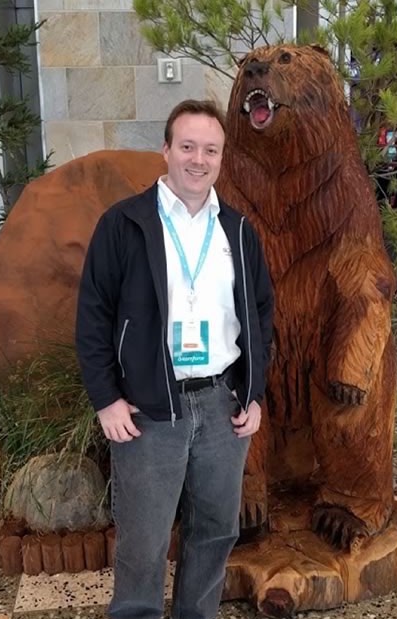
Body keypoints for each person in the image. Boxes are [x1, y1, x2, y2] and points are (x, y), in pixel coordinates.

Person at [75, 99, 274, 619]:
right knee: (143, 541)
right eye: (187, 146)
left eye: (211, 149)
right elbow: (92, 317)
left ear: (222, 158)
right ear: (165, 150)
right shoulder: (124, 225)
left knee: (215, 530)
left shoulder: (237, 229)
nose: (198, 159)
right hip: (147, 410)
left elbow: (259, 315)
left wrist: (253, 392)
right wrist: (107, 400)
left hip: (221, 406)